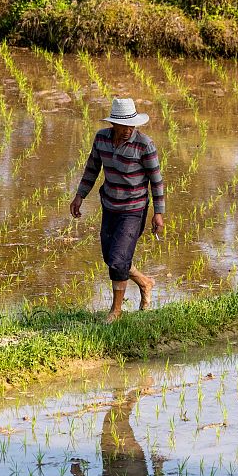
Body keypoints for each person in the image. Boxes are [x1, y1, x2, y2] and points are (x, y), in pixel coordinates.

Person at [69, 97, 165, 323]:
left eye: (132, 125)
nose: (128, 130)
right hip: (110, 205)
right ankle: (145, 282)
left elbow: (156, 180)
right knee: (111, 257)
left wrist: (158, 213)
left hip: (133, 209)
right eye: (124, 126)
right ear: (113, 124)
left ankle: (116, 310)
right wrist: (80, 195)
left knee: (118, 260)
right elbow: (92, 168)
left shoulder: (144, 145)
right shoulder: (101, 138)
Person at [69, 386, 165, 476]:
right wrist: (158, 468)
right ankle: (129, 395)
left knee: (112, 423)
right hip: (132, 471)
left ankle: (126, 395)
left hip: (119, 472)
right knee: (114, 423)